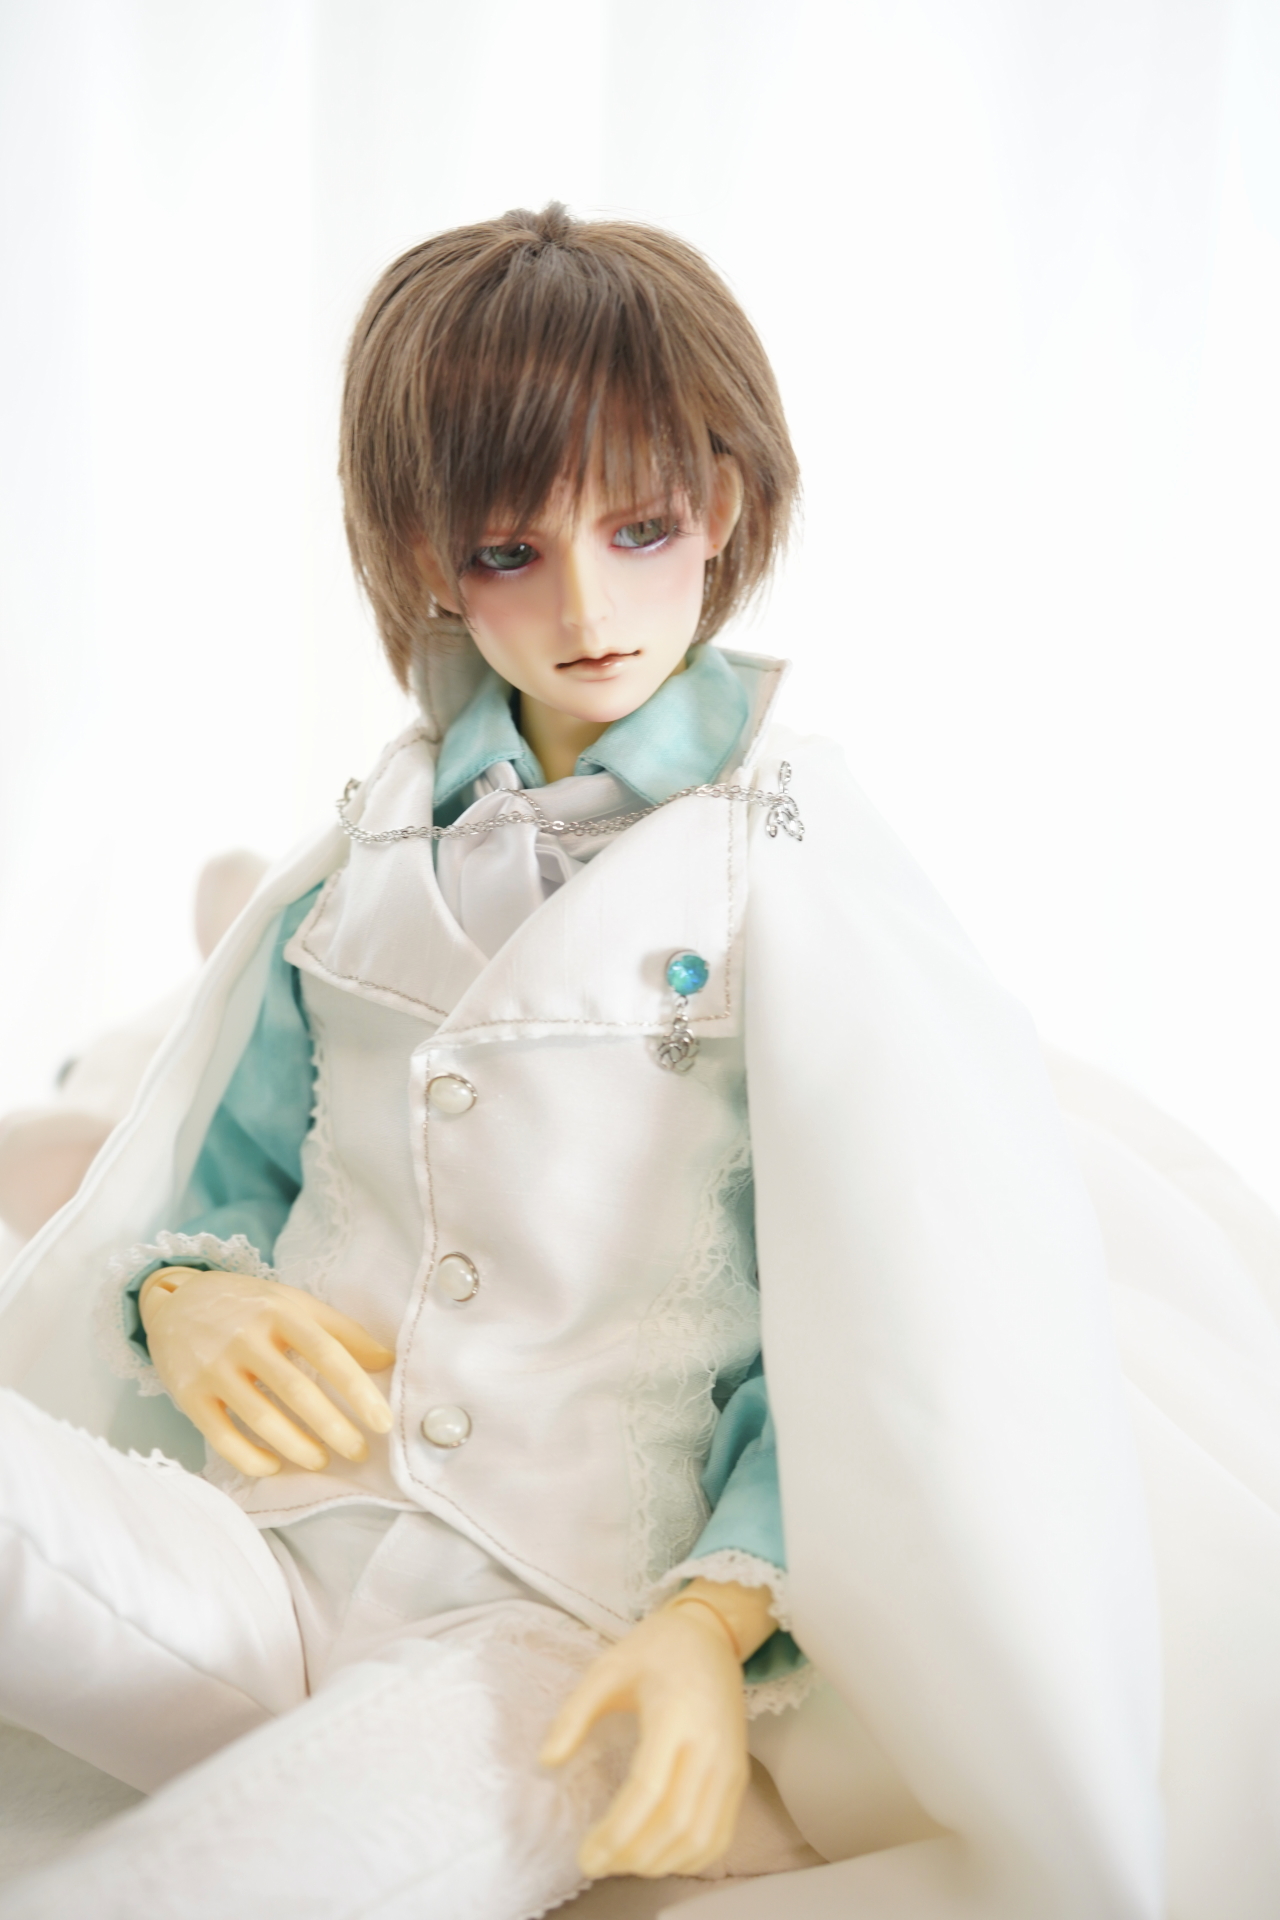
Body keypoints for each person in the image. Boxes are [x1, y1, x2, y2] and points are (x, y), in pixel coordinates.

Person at [0, 203, 1277, 1920]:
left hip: (551, 1638)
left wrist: (709, 1622)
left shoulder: (788, 867)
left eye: (641, 527)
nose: (588, 607)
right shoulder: (367, 848)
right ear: (428, 555)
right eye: (509, 552)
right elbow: (234, 1158)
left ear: (722, 509)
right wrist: (182, 1294)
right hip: (258, 1540)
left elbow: (877, 1328)